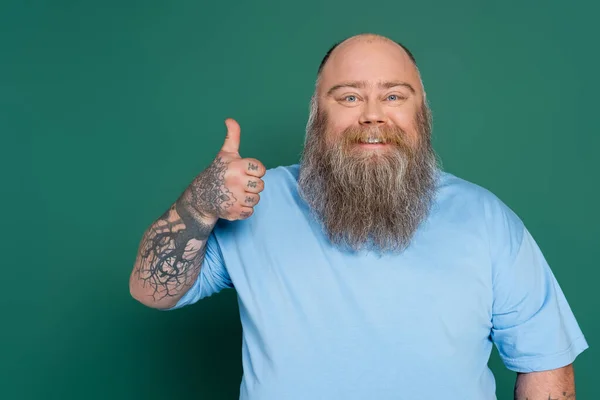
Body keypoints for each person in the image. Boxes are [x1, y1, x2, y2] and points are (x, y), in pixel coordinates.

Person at [129, 33, 588, 399]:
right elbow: (151, 291)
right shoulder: (256, 204)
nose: (372, 115)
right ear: (317, 115)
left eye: (393, 96)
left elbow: (545, 365)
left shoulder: (488, 220)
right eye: (348, 97)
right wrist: (198, 204)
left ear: (421, 114)